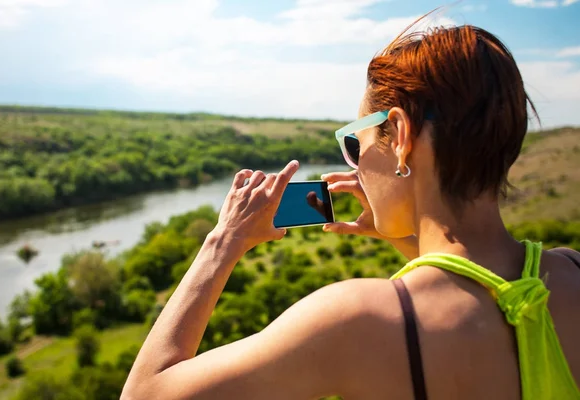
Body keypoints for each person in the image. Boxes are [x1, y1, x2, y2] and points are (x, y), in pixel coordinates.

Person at [122, 24, 580, 400]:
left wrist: (223, 242)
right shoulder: (572, 273)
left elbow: (145, 394)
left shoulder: (356, 321)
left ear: (399, 136)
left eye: (354, 144)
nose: (356, 166)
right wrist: (409, 240)